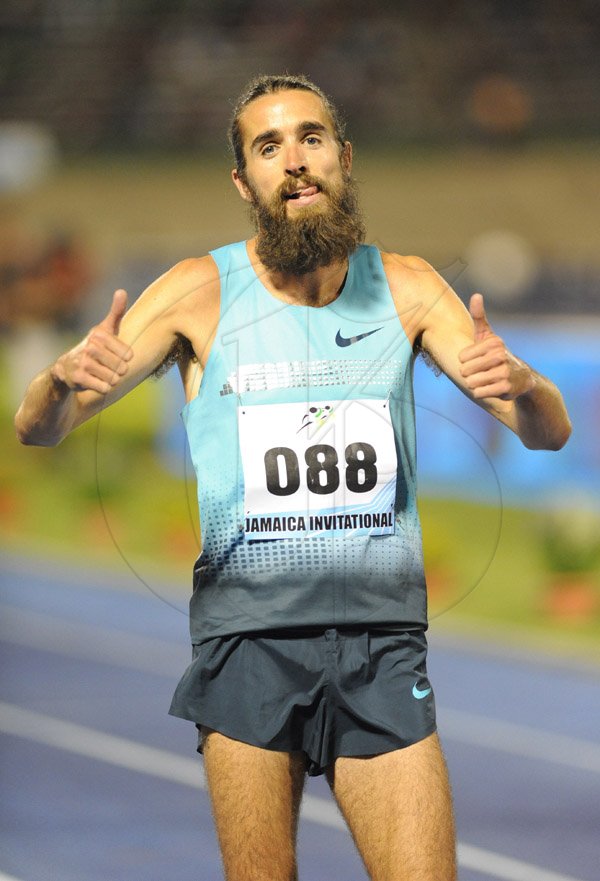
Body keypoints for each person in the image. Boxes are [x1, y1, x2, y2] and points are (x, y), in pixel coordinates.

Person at [15, 74, 571, 881]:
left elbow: (547, 433)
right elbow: (41, 428)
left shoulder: (409, 287)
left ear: (343, 158)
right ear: (246, 180)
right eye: (269, 147)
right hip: (248, 648)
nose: (295, 161)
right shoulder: (198, 294)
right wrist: (61, 380)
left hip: (382, 650)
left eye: (311, 139)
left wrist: (522, 385)